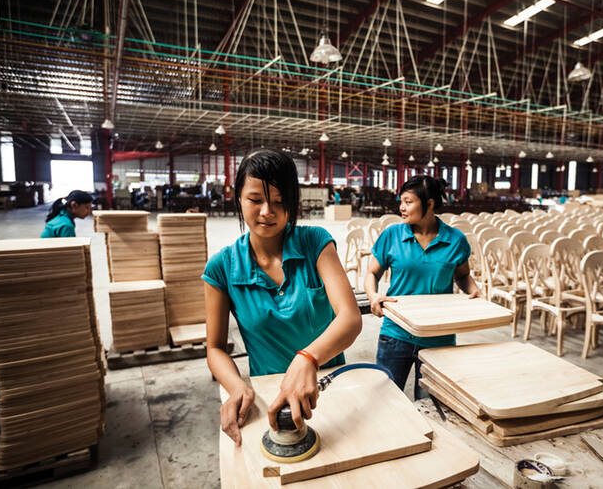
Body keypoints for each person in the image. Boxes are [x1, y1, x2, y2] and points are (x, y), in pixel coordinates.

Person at [203, 148, 362, 446]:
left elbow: (350, 318)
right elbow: (215, 348)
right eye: (256, 200)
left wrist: (308, 358)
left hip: (330, 384)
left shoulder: (315, 244)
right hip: (271, 393)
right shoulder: (222, 267)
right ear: (238, 196)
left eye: (279, 201)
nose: (267, 212)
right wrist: (237, 387)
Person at [363, 175, 481, 399]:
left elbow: (463, 275)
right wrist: (373, 295)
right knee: (387, 400)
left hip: (439, 337)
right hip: (396, 333)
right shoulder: (392, 235)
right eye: (401, 202)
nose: (401, 208)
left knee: (432, 405)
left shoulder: (455, 240)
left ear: (429, 204)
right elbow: (372, 272)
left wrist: (472, 290)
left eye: (408, 202)